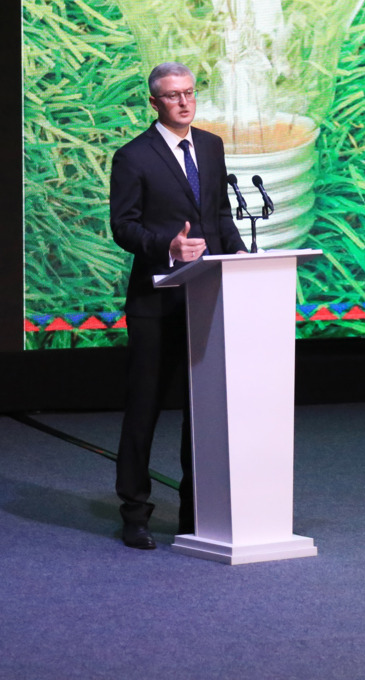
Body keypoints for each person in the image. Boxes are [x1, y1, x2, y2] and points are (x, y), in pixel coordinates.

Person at [108, 61, 248, 550]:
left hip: (206, 300)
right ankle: (134, 513)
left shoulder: (210, 146)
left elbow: (219, 216)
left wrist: (241, 259)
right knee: (144, 409)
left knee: (202, 411)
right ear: (154, 102)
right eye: (172, 95)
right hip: (156, 304)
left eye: (189, 92)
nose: (184, 102)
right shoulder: (133, 156)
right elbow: (123, 226)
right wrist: (167, 246)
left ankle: (195, 513)